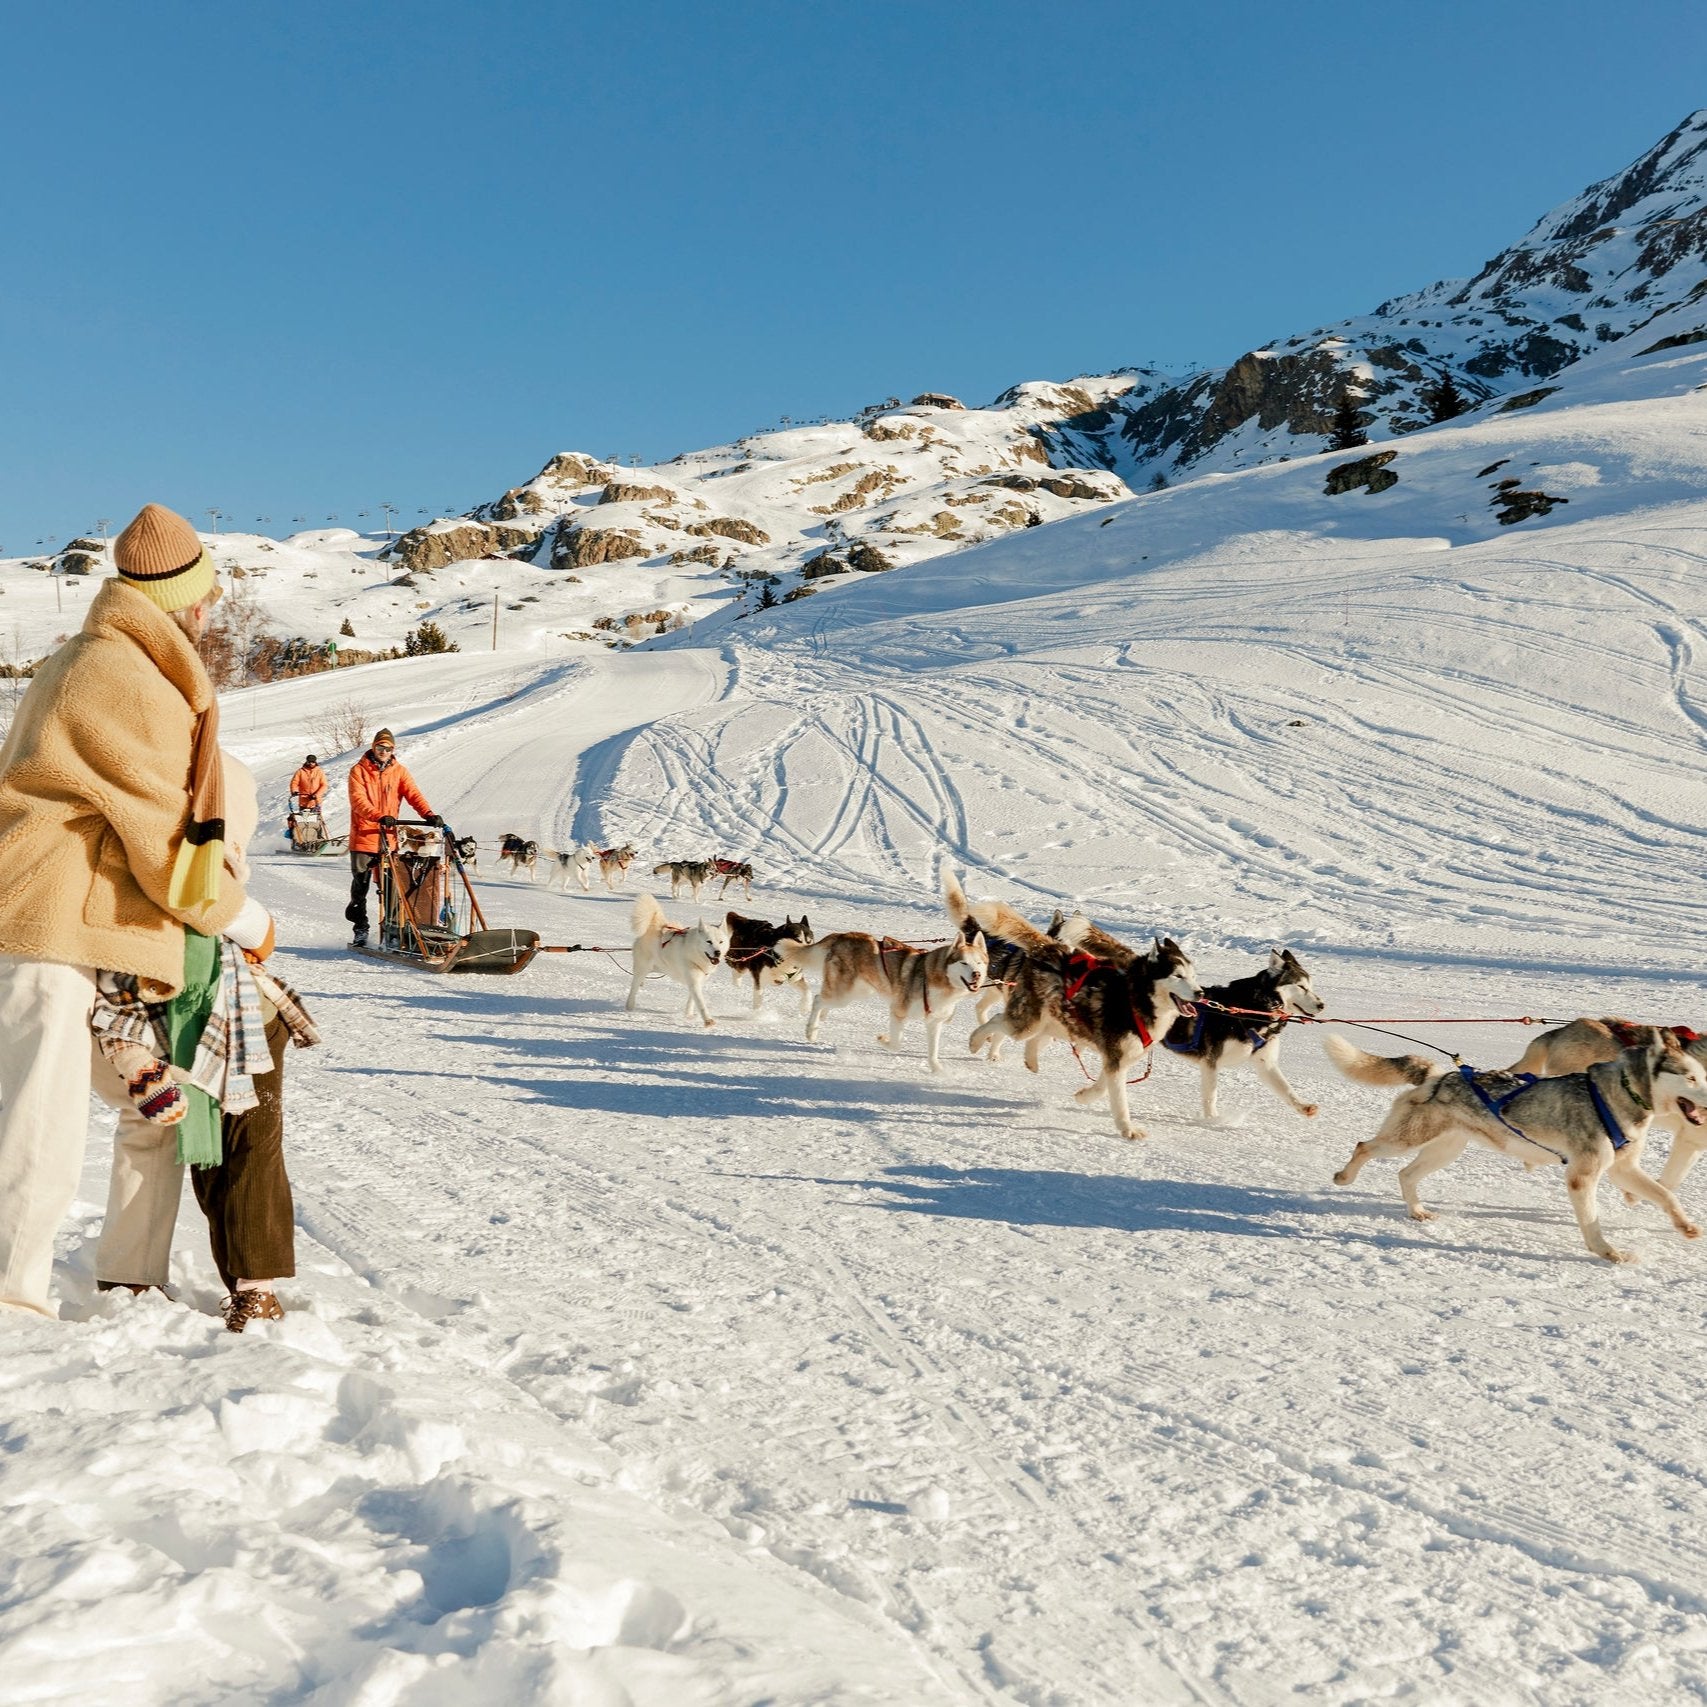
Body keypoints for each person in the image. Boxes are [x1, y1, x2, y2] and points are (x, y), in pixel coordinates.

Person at [0, 503, 273, 1318]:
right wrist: (246, 920)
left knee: (155, 1102)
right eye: (203, 598)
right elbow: (168, 850)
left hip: (81, 933)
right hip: (44, 932)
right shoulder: (117, 675)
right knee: (36, 1125)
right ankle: (11, 1303)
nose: (205, 612)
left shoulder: (115, 662)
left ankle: (128, 1277)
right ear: (184, 600)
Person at [90, 752, 318, 1331]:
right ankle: (221, 1280)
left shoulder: (213, 833)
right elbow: (114, 997)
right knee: (206, 1155)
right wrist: (136, 1059)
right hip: (175, 1030)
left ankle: (255, 1288)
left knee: (253, 1143)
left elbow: (252, 927)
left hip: (247, 1016)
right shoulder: (121, 873)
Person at [345, 727, 436, 948]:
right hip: (363, 837)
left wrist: (429, 815)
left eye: (387, 748)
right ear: (373, 747)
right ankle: (361, 928)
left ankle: (393, 929)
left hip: (388, 838)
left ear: (392, 750)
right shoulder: (358, 771)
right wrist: (379, 816)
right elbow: (358, 801)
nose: (383, 751)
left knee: (392, 886)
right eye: (380, 746)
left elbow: (414, 794)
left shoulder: (399, 771)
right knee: (361, 885)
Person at [288, 752, 329, 848]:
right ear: (306, 762)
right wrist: (294, 791)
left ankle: (319, 840)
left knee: (317, 822)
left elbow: (324, 785)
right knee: (303, 823)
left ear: (315, 762)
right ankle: (302, 842)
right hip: (304, 802)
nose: (311, 764)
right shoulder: (300, 772)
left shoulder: (319, 771)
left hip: (316, 802)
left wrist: (316, 794)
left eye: (313, 762)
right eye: (309, 762)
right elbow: (294, 782)